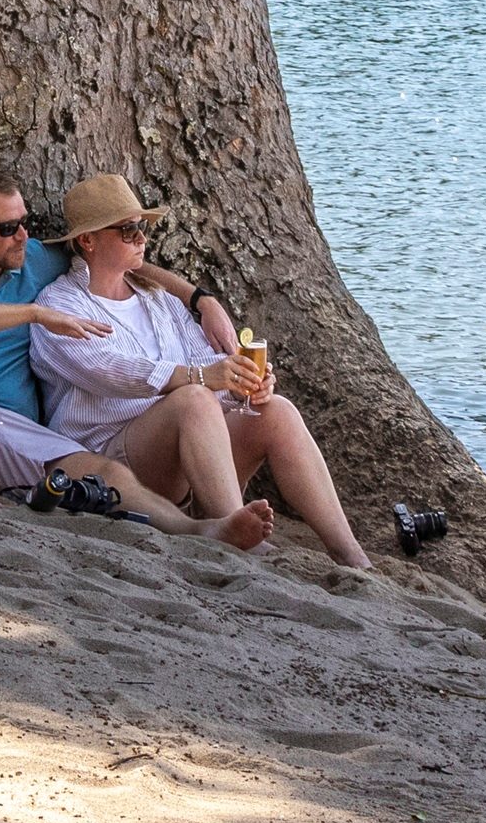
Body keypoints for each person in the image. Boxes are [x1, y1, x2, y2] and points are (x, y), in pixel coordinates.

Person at [24, 170, 374, 570]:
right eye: (128, 231)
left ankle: (350, 553)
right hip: (116, 461)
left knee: (275, 410)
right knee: (193, 398)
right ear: (88, 241)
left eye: (143, 228)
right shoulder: (59, 305)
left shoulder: (158, 299)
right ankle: (237, 536)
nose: (141, 239)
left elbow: (206, 365)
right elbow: (111, 371)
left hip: (192, 452)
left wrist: (239, 383)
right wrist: (203, 378)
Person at [0, 160, 180, 522]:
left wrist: (200, 299)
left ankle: (200, 528)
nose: (22, 236)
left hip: (10, 433)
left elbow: (112, 258)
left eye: (24, 223)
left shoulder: (32, 259)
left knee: (107, 476)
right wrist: (33, 313)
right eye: (8, 228)